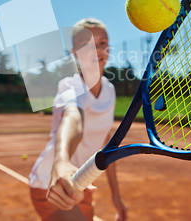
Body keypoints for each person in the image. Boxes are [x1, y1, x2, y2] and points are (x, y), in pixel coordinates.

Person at [29, 18, 128, 221]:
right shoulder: (70, 87)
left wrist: (116, 196)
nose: (97, 49)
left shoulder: (109, 90)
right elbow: (73, 118)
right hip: (54, 184)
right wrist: (62, 162)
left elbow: (106, 144)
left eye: (102, 43)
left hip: (81, 182)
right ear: (74, 52)